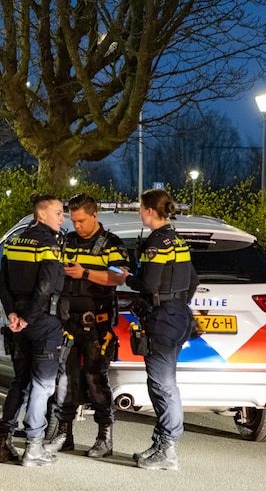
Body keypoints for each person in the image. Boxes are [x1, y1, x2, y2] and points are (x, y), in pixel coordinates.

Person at [121, 189, 199, 470]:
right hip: (179, 317)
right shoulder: (178, 240)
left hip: (163, 320)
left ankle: (167, 448)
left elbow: (149, 284)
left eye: (140, 208)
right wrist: (175, 303)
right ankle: (161, 444)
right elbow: (193, 280)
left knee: (162, 384)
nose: (139, 213)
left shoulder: (156, 243)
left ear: (150, 211)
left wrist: (128, 277)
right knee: (166, 383)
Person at [48, 193, 129, 458]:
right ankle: (63, 433)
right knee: (65, 380)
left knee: (96, 381)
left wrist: (84, 273)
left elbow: (119, 278)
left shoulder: (111, 244)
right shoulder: (67, 240)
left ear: (95, 216)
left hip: (97, 326)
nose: (77, 226)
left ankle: (105, 438)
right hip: (66, 322)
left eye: (82, 220)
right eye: (73, 220)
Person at [0, 193, 66, 467]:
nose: (62, 218)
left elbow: (3, 283)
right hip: (43, 323)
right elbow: (46, 286)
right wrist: (27, 317)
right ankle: (34, 447)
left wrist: (14, 313)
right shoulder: (49, 245)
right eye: (58, 212)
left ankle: (4, 443)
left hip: (19, 323)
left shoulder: (14, 243)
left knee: (19, 383)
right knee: (43, 385)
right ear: (42, 214)